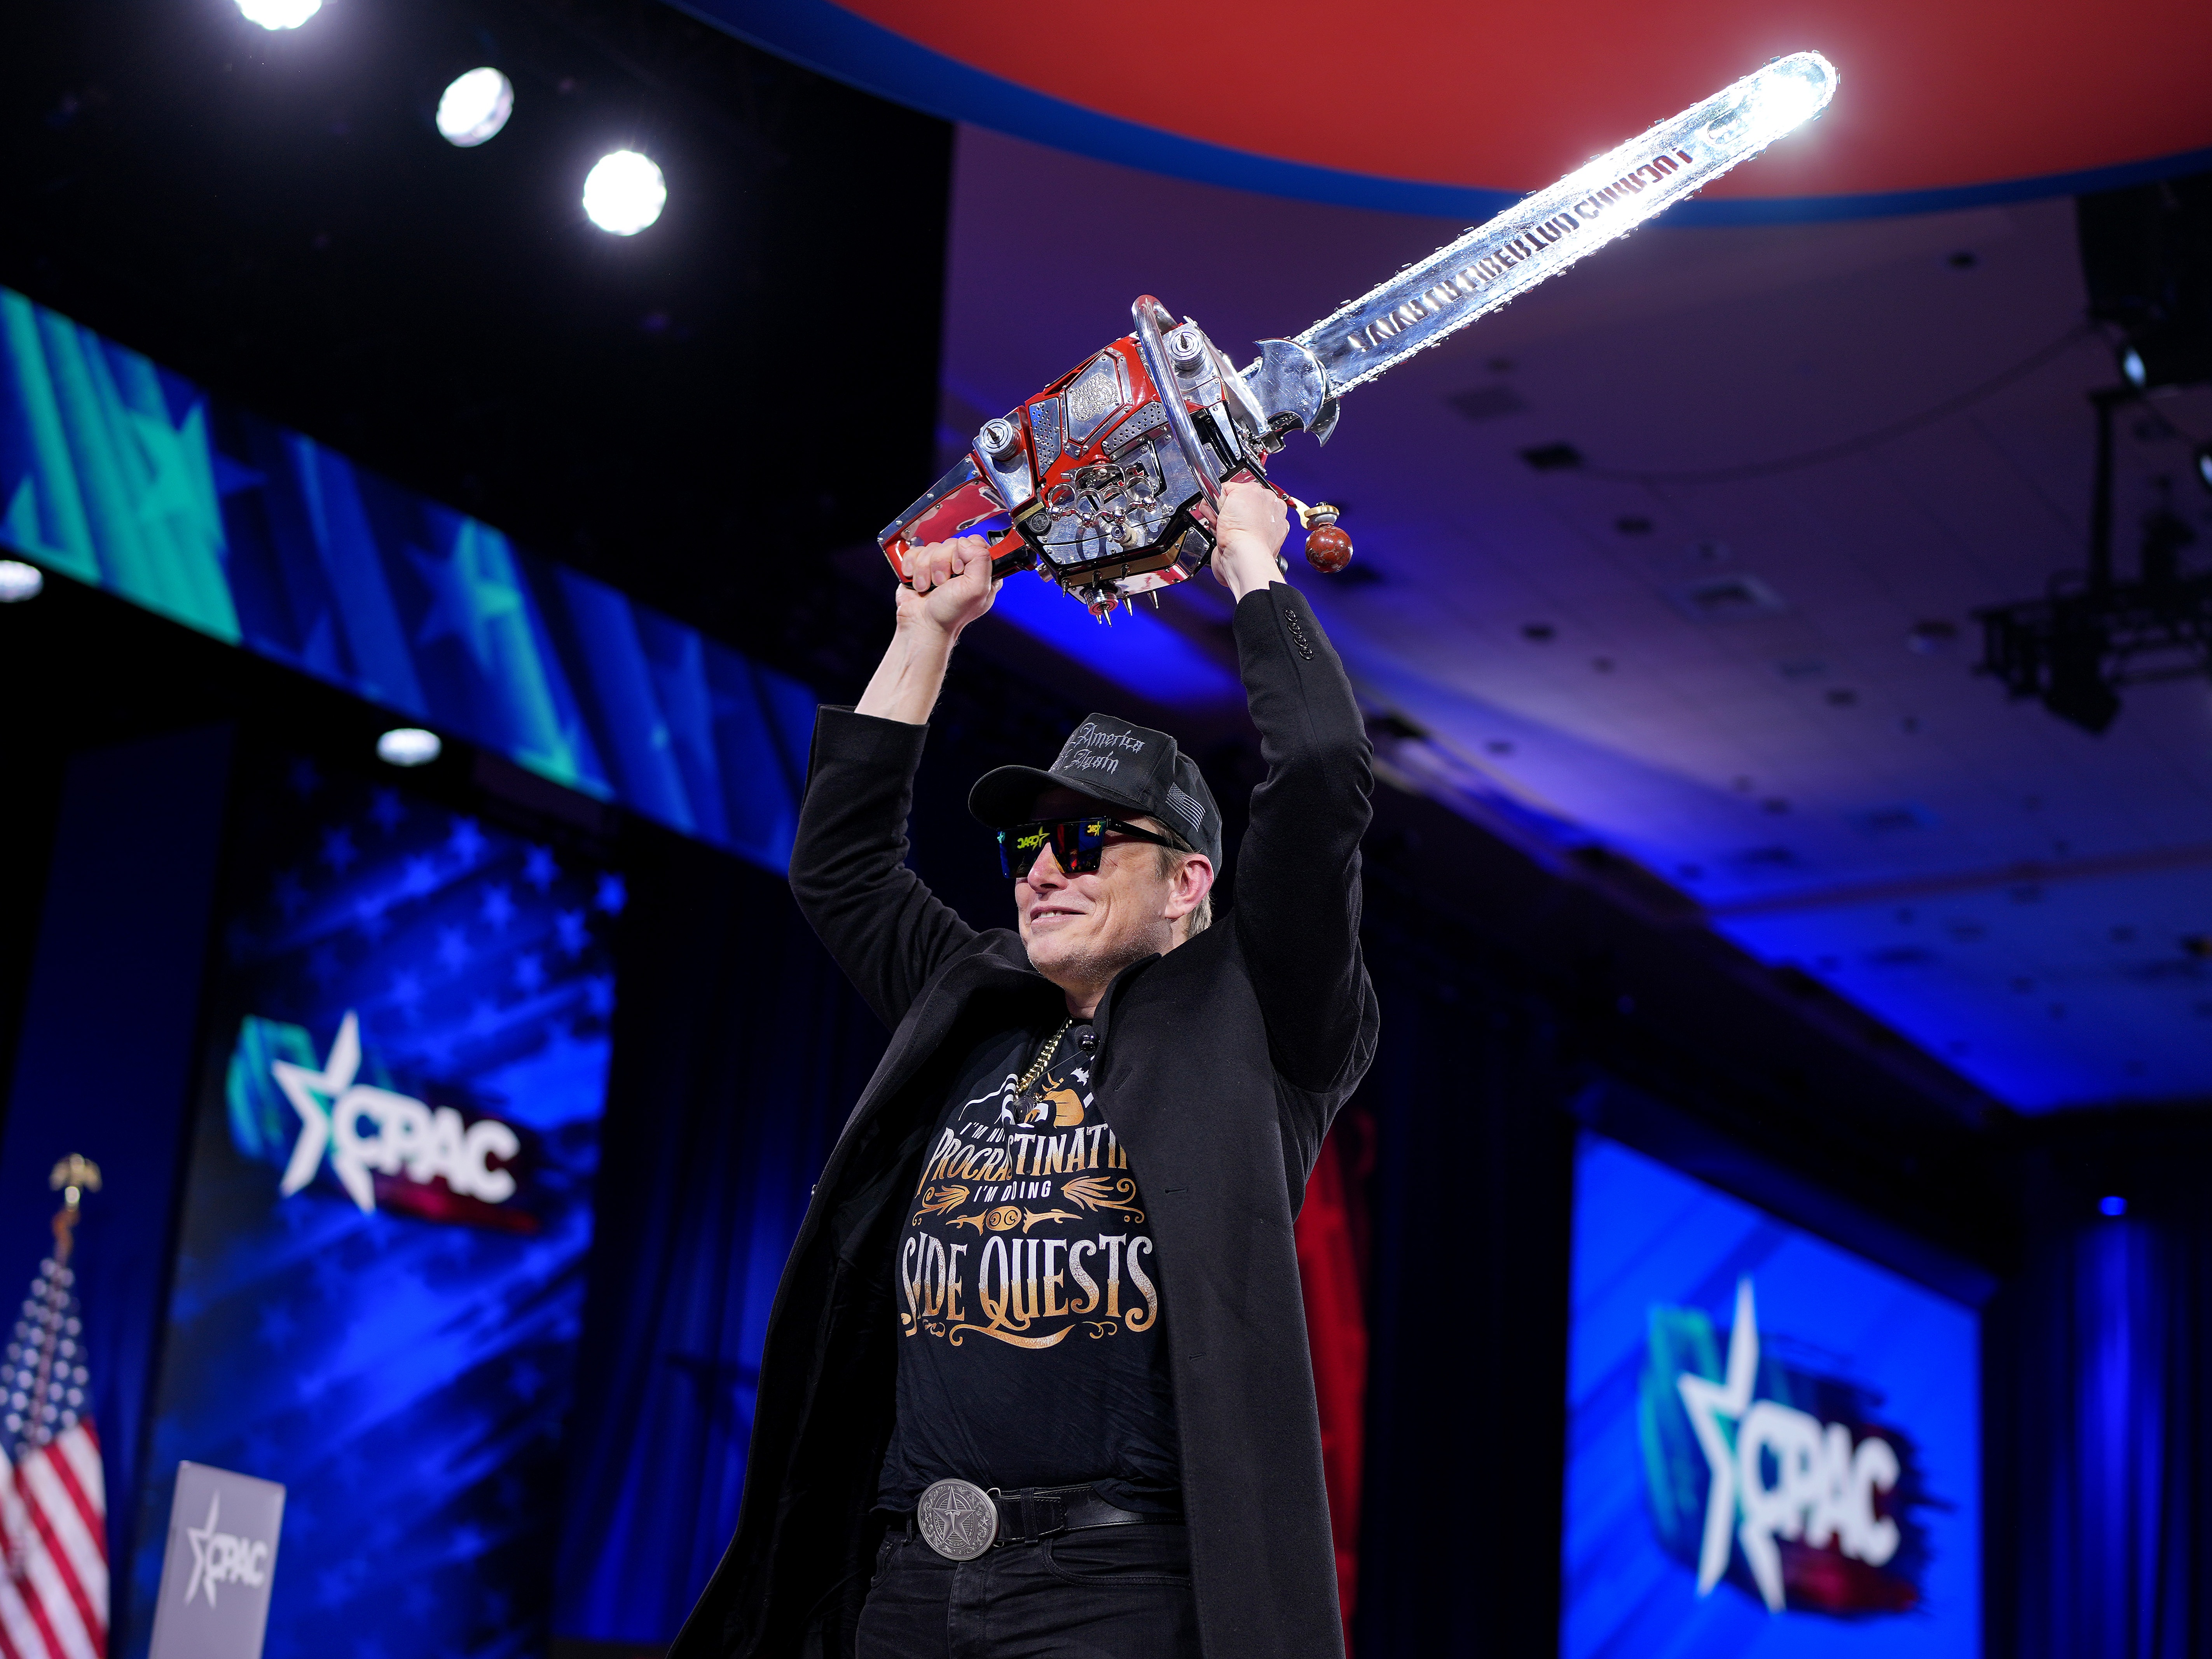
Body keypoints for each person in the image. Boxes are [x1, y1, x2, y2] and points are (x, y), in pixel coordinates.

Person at [669, 478, 1377, 1659]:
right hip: (907, 1580)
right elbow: (837, 868)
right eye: (1029, 842)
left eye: (1089, 839)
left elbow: (1316, 770)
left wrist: (1249, 559)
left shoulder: (1259, 1019)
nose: (1044, 868)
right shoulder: (974, 999)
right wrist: (923, 633)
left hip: (1114, 1596)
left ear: (1190, 883)